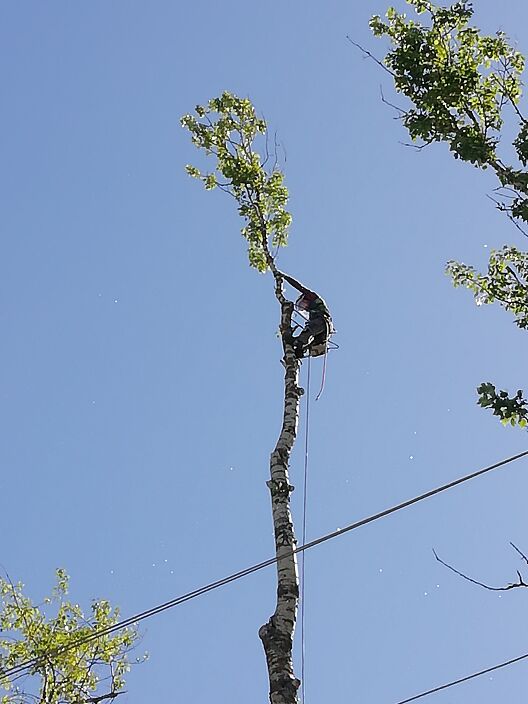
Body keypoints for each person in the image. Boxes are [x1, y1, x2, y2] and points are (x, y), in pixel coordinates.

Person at [279, 271, 332, 358]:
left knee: (307, 333)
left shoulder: (312, 297)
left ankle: (298, 344)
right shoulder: (312, 313)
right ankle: (300, 350)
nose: (303, 308)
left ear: (304, 299)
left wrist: (285, 277)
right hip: (323, 330)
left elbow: (299, 287)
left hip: (322, 322)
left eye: (301, 305)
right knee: (309, 341)